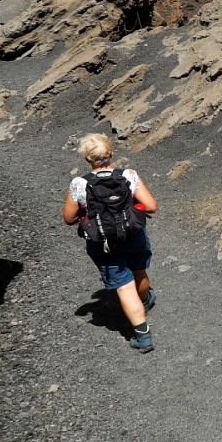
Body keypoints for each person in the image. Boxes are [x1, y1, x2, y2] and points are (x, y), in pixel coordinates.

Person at [62, 133, 159, 352]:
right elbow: (151, 206)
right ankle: (144, 299)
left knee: (124, 288)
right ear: (111, 152)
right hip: (133, 234)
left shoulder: (80, 183)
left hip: (103, 242)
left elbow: (68, 218)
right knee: (139, 270)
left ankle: (143, 337)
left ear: (87, 158)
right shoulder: (128, 175)